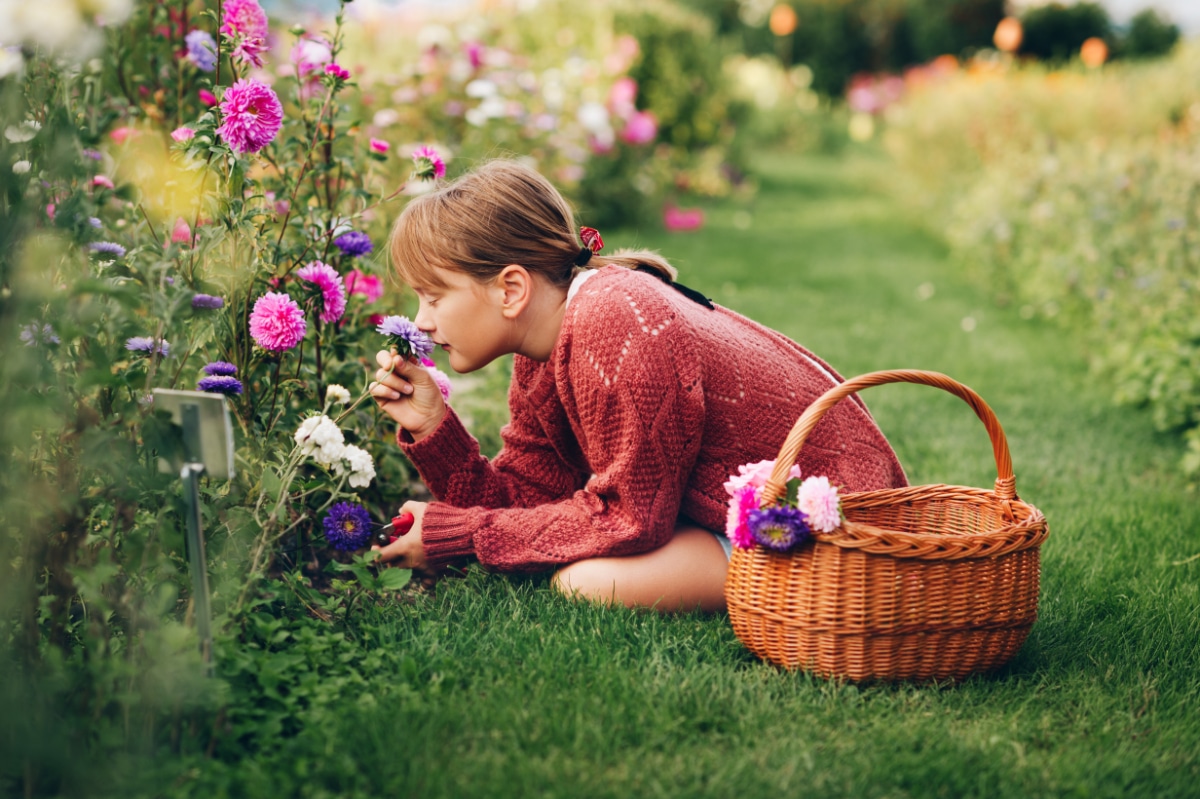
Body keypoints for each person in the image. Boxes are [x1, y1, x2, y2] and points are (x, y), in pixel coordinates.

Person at [368, 159, 906, 612]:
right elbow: (528, 500)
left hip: (835, 521)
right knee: (574, 560)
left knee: (584, 583)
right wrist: (435, 428)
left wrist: (458, 536)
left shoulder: (615, 322)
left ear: (511, 289)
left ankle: (792, 576)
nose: (421, 322)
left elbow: (630, 520)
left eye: (433, 298)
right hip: (723, 514)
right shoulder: (544, 349)